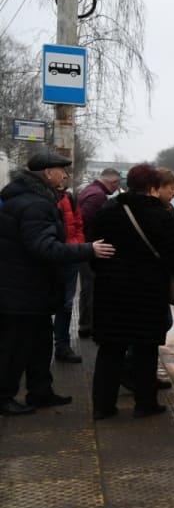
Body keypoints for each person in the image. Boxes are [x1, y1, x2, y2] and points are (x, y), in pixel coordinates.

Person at [0, 152, 115, 416]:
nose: (65, 176)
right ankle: (4, 396)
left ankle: (40, 393)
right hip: (21, 289)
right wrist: (87, 250)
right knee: (15, 347)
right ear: (47, 173)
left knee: (40, 344)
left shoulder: (29, 198)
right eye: (61, 170)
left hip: (30, 288)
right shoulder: (35, 205)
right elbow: (44, 247)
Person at [89, 163, 174, 420]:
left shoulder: (108, 210)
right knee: (145, 350)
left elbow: (93, 249)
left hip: (110, 293)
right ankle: (145, 404)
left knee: (110, 350)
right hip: (147, 294)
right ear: (152, 187)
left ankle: (103, 407)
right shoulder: (160, 215)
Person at [77, 168, 122, 338]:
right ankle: (89, 326)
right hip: (89, 248)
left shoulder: (89, 190)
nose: (116, 190)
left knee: (86, 288)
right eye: (117, 186)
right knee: (91, 288)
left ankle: (85, 324)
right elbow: (85, 220)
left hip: (85, 247)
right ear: (113, 183)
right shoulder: (98, 197)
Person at [54, 184, 87, 363]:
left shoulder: (70, 198)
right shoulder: (41, 198)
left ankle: (62, 346)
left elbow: (79, 223)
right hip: (48, 256)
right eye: (61, 171)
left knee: (66, 304)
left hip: (69, 257)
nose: (65, 176)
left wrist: (76, 245)